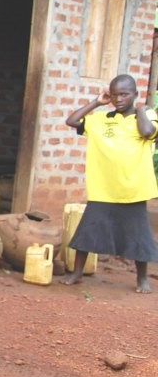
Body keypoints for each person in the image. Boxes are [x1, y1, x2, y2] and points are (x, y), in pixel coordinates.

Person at [61, 74, 158, 293]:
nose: (118, 99)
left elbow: (147, 132)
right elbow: (71, 121)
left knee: (138, 235)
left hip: (133, 189)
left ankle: (142, 279)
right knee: (88, 231)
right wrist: (96, 102)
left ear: (135, 94)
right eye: (114, 94)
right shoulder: (101, 120)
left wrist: (141, 110)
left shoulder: (147, 116)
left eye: (124, 94)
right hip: (103, 189)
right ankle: (77, 273)